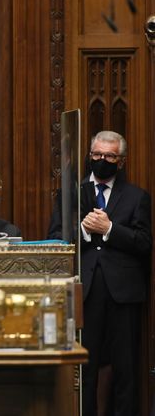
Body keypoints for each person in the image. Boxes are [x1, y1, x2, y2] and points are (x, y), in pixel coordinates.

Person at [47, 130, 151, 416]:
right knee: (86, 368)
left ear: (121, 161)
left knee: (126, 368)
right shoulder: (72, 193)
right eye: (96, 155)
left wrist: (110, 230)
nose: (102, 160)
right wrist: (82, 229)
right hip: (86, 290)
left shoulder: (136, 197)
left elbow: (144, 243)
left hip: (123, 293)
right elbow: (55, 237)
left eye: (109, 156)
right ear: (88, 155)